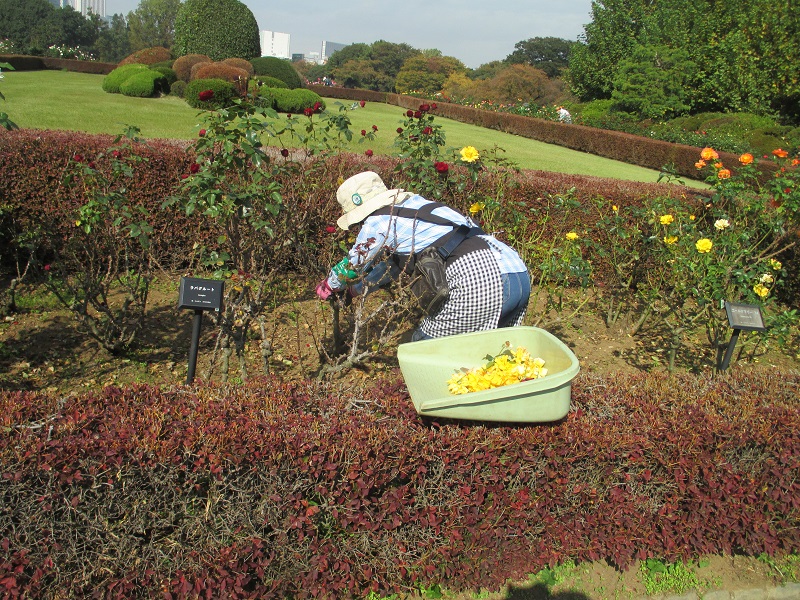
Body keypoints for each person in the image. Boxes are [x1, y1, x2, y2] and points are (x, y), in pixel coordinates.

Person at [315, 171, 531, 342]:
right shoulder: (416, 206)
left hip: (480, 278)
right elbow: (393, 266)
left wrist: (330, 285)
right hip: (515, 270)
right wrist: (354, 290)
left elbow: (354, 263)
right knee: (493, 353)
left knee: (423, 347)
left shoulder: (377, 221)